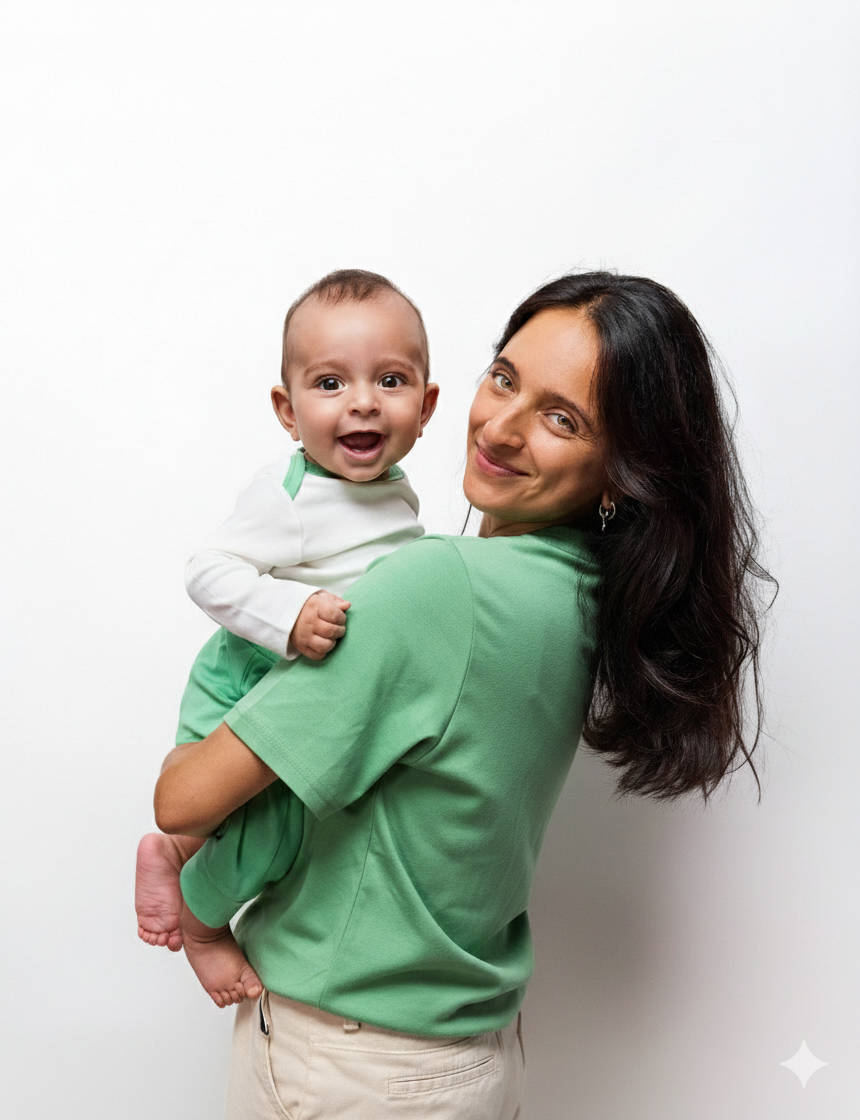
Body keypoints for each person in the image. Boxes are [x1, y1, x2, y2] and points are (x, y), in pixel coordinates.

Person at [153, 272, 771, 1119]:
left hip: (349, 1064)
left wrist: (190, 881)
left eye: (563, 419)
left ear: (622, 472)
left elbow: (182, 799)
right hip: (467, 1055)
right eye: (505, 378)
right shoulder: (582, 596)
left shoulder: (438, 585)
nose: (502, 427)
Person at [135, 269, 439, 1005]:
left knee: (260, 814)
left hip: (308, 682)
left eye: (390, 380)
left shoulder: (393, 488)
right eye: (330, 383)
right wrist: (290, 615)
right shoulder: (291, 495)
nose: (363, 402)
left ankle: (173, 852)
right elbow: (208, 571)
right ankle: (204, 924)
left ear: (426, 406)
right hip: (248, 673)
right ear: (288, 410)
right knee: (274, 827)